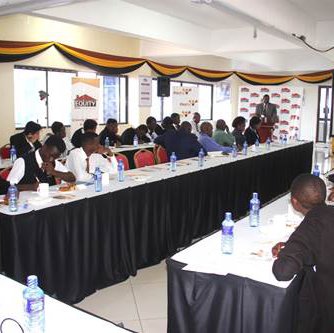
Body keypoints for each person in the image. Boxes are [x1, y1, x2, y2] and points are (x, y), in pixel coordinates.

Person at [272, 174, 334, 333]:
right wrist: (293, 247)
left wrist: (286, 253)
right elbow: (323, 243)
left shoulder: (311, 225)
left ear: (294, 202)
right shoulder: (328, 214)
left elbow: (283, 272)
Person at [7, 135, 76, 191]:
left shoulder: (53, 162)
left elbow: (72, 178)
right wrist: (30, 187)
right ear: (44, 147)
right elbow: (8, 186)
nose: (51, 159)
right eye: (50, 155)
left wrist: (53, 172)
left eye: (55, 157)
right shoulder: (23, 161)